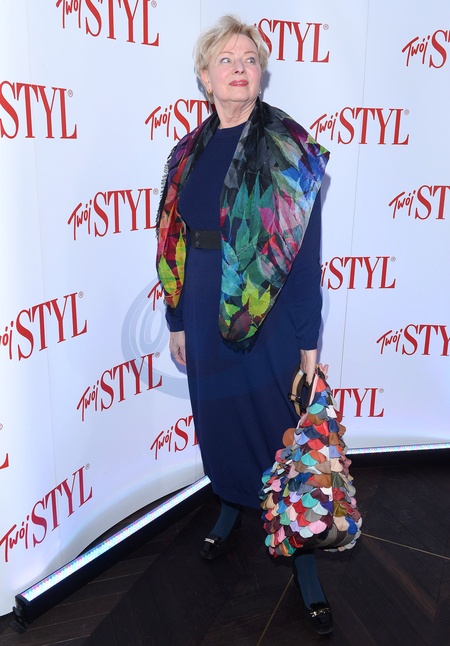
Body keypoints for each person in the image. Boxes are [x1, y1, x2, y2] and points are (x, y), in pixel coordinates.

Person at [156, 15, 333, 634]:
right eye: (226, 60)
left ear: (261, 75)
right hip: (202, 305)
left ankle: (304, 561)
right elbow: (173, 240)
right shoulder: (187, 152)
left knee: (277, 431)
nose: (239, 68)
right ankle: (232, 505)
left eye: (249, 59)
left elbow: (304, 255)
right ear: (205, 78)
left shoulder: (287, 148)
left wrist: (308, 342)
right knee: (220, 419)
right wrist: (177, 317)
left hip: (268, 312)